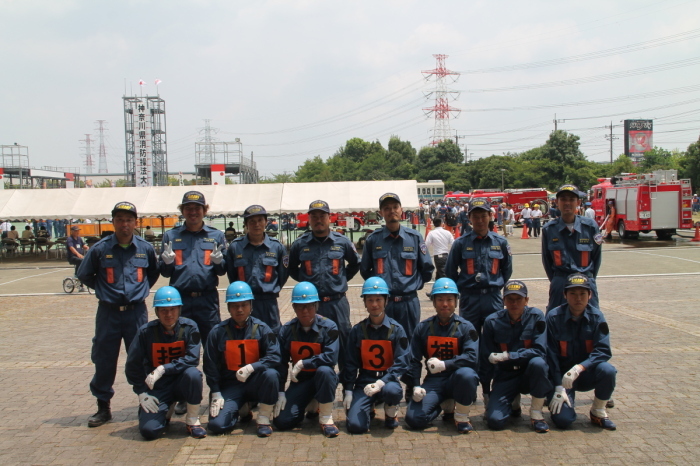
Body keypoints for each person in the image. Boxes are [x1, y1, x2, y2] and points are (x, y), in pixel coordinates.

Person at [77, 201, 160, 428]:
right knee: (104, 359)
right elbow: (84, 274)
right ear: (113, 221)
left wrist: (138, 291)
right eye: (120, 219)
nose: (125, 224)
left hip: (136, 312)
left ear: (136, 222)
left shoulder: (145, 248)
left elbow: (152, 273)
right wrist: (105, 290)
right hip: (108, 313)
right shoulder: (100, 249)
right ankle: (103, 407)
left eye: (129, 220)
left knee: (142, 358)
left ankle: (146, 401)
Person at [124, 286, 207, 439]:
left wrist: (163, 368)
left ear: (180, 309)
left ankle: (193, 420)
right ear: (156, 312)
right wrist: (141, 392)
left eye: (173, 309)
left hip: (181, 382)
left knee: (194, 374)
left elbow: (192, 358)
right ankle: (164, 408)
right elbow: (132, 365)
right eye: (163, 310)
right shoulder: (145, 332)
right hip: (158, 388)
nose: (169, 314)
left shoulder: (190, 327)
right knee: (149, 431)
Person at [288, 200, 360, 369]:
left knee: (344, 340)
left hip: (337, 302)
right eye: (314, 217)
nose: (318, 220)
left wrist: (341, 280)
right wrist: (306, 283)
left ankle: (347, 385)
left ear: (329, 218)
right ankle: (315, 385)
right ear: (309, 219)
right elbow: (291, 268)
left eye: (322, 216)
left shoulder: (342, 241)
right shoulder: (300, 244)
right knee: (314, 342)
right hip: (312, 304)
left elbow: (355, 263)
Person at [204, 281, 281, 437]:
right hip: (232, 385)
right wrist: (216, 392)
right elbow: (210, 365)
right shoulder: (217, 332)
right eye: (234, 305)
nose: (239, 309)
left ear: (251, 306)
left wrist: (252, 367)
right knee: (216, 426)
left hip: (256, 383)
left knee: (272, 375)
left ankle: (264, 418)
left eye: (244, 305)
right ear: (228, 307)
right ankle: (241, 410)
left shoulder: (262, 329)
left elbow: (275, 356)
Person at [404, 278, 480, 434]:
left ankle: (461, 417)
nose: (445, 304)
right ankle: (444, 405)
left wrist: (446, 365)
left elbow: (472, 357)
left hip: (458, 379)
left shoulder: (466, 328)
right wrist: (415, 385)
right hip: (434, 381)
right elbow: (414, 359)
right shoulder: (423, 328)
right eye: (440, 299)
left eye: (449, 299)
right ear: (433, 302)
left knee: (467, 374)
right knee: (413, 419)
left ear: (456, 301)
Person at [545, 273, 617, 431]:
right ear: (565, 295)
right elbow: (550, 355)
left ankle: (598, 411)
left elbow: (603, 351)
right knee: (563, 421)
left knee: (608, 370)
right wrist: (558, 385)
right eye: (573, 294)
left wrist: (580, 368)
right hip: (563, 378)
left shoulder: (597, 317)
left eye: (583, 294)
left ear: (590, 295)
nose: (578, 298)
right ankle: (555, 398)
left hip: (586, 374)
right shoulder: (553, 318)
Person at [360, 193, 434, 341]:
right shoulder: (373, 239)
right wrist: (378, 288)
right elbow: (365, 270)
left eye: (395, 207)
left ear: (401, 210)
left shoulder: (414, 238)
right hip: (383, 304)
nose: (391, 211)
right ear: (381, 213)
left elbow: (427, 269)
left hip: (408, 303)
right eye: (387, 208)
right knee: (384, 342)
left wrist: (412, 285)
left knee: (410, 343)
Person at [481, 281, 551, 433]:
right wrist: (486, 392)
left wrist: (507, 355)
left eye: (519, 299)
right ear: (503, 301)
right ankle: (513, 403)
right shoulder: (492, 322)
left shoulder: (536, 317)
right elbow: (485, 358)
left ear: (526, 300)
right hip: (505, 376)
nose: (514, 303)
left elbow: (540, 350)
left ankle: (537, 414)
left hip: (528, 374)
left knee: (539, 364)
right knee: (494, 421)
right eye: (510, 299)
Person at [342, 277, 410, 433]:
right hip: (365, 381)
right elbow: (351, 363)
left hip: (388, 381)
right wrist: (348, 390)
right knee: (355, 427)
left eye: (378, 299)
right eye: (370, 300)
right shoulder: (358, 331)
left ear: (386, 301)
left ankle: (390, 412)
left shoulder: (397, 330)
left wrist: (381, 382)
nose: (374, 304)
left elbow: (401, 363)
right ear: (364, 302)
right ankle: (369, 407)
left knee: (392, 391)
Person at [273, 282, 341, 438]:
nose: (305, 311)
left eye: (309, 306)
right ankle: (310, 404)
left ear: (316, 306)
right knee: (282, 422)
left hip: (322, 379)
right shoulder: (287, 330)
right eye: (300, 307)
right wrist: (281, 392)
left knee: (325, 370)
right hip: (301, 381)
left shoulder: (329, 327)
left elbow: (331, 357)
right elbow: (281, 362)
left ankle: (325, 418)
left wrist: (305, 363)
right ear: (294, 308)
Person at [159, 191, 227, 344]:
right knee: (180, 344)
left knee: (212, 345)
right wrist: (167, 263)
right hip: (180, 299)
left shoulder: (216, 236)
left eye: (197, 208)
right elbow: (164, 273)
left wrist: (218, 262)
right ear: (182, 211)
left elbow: (222, 271)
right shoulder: (170, 236)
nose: (193, 212)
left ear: (205, 210)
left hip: (207, 300)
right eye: (188, 208)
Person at [445, 197, 512, 335]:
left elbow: (507, 270)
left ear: (490, 216)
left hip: (493, 297)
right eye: (475, 217)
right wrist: (463, 287)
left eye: (483, 216)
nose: (480, 220)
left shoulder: (501, 243)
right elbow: (450, 270)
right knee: (469, 337)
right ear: (469, 217)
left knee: (495, 337)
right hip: (469, 298)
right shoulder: (460, 243)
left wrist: (495, 285)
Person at [225, 205, 289, 331]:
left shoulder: (277, 247)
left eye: (260, 220)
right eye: (252, 221)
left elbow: (283, 275)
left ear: (266, 222)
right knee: (246, 336)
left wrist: (270, 289)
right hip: (244, 302)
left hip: (268, 302)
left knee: (272, 336)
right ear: (246, 224)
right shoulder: (235, 247)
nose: (256, 224)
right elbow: (232, 276)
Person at [541, 184, 603, 313]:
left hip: (585, 281)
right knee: (555, 321)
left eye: (571, 199)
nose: (567, 203)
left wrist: (588, 278)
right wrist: (558, 280)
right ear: (557, 202)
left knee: (591, 320)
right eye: (563, 199)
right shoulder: (549, 229)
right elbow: (547, 261)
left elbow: (596, 258)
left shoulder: (590, 227)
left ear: (578, 202)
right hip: (560, 282)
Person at [67, 226, 89, 292]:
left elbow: (83, 245)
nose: (77, 232)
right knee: (81, 261)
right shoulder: (69, 239)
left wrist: (88, 248)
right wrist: (78, 254)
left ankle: (81, 286)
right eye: (76, 231)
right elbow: (71, 248)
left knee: (84, 262)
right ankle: (77, 274)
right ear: (72, 231)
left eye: (78, 231)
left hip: (80, 257)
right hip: (72, 257)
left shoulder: (79, 238)